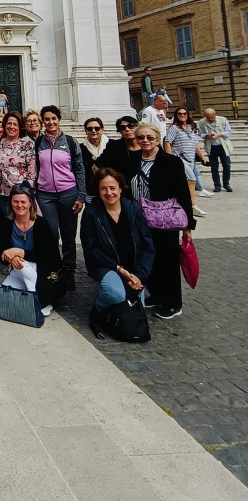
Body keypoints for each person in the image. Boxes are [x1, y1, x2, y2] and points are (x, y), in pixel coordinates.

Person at [80, 167, 156, 336]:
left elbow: (147, 245)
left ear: (121, 188)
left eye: (113, 188)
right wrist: (119, 269)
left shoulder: (133, 209)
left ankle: (114, 310)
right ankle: (98, 312)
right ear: (98, 190)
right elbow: (90, 249)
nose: (109, 193)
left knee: (136, 308)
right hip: (106, 265)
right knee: (115, 294)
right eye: (103, 188)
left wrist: (140, 275)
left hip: (133, 266)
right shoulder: (92, 213)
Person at [131, 122, 195, 320]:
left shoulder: (171, 161)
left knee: (167, 260)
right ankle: (157, 294)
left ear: (158, 139)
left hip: (164, 218)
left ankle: (174, 303)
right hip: (140, 217)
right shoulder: (133, 159)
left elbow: (183, 193)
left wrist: (188, 226)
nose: (145, 141)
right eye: (141, 137)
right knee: (150, 257)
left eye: (150, 137)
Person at [35, 105, 86, 291]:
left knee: (68, 235)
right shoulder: (38, 142)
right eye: (47, 119)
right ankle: (54, 270)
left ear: (59, 119)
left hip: (68, 193)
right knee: (51, 234)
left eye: (53, 118)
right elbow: (36, 169)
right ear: (43, 121)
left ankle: (69, 272)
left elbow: (79, 169)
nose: (50, 122)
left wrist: (81, 195)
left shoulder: (70, 142)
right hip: (45, 195)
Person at [0, 185, 65, 316]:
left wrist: (19, 252)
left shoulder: (41, 224)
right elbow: (3, 251)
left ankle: (36, 298)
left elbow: (44, 256)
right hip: (19, 268)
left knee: (22, 266)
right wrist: (11, 258)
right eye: (15, 201)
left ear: (30, 203)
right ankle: (29, 293)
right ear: (11, 203)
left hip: (42, 268)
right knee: (0, 300)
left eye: (23, 202)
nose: (19, 205)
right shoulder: (7, 223)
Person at [166, 107, 209, 216]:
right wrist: (169, 158)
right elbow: (167, 142)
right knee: (192, 180)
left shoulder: (191, 127)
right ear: (176, 116)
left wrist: (203, 157)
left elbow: (195, 144)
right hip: (179, 158)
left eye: (184, 113)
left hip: (190, 158)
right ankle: (193, 206)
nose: (182, 115)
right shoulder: (174, 128)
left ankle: (179, 204)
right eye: (179, 114)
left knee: (182, 183)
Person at [0, 111, 36, 217]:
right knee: (7, 225)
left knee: (22, 224)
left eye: (15, 124)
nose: (11, 127)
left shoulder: (27, 143)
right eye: (9, 123)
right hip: (3, 193)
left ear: (20, 127)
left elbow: (32, 170)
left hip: (21, 194)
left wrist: (28, 192)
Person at [96, 116, 142, 190]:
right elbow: (96, 167)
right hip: (122, 191)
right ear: (119, 131)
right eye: (122, 128)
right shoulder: (114, 146)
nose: (127, 129)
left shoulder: (147, 144)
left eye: (131, 126)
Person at [197, 108, 233, 192]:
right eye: (208, 117)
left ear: (215, 115)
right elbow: (200, 133)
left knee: (227, 165)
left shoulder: (223, 120)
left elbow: (229, 132)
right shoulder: (202, 122)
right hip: (211, 147)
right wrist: (207, 135)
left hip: (223, 146)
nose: (210, 119)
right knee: (214, 167)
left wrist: (219, 135)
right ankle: (217, 185)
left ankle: (226, 184)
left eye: (212, 117)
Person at [80, 117, 110, 198]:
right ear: (86, 131)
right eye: (89, 129)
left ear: (102, 129)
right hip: (90, 191)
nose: (93, 131)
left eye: (97, 128)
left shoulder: (112, 146)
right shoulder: (80, 149)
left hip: (110, 190)